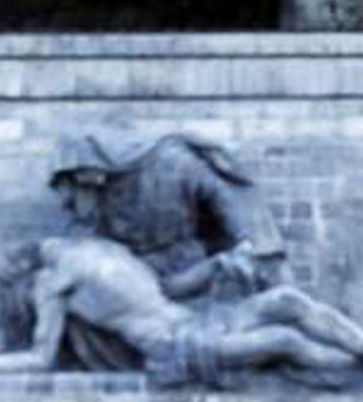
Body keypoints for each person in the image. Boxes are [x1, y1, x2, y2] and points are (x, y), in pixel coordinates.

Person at [0, 235, 363, 389]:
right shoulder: (51, 285)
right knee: (284, 342)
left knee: (289, 303)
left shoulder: (101, 247)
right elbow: (40, 359)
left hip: (195, 318)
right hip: (176, 348)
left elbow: (167, 286)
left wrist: (216, 264)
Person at [48, 132, 287, 373]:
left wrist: (243, 242)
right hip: (136, 275)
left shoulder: (171, 161)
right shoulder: (98, 191)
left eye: (78, 177)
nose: (71, 206)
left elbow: (221, 195)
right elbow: (89, 239)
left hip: (185, 268)